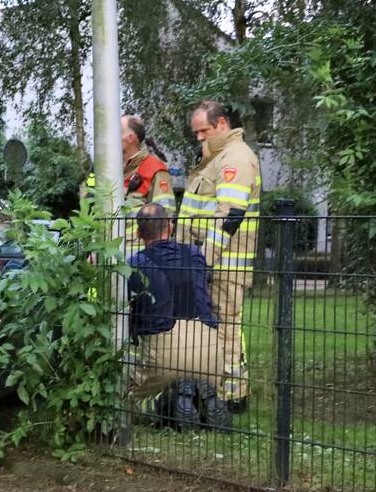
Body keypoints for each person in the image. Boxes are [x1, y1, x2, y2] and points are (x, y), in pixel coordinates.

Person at [175, 100, 262, 410]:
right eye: (196, 132)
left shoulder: (235, 159)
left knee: (225, 328)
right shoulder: (217, 157)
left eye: (204, 130)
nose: (199, 137)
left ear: (222, 124)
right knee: (212, 328)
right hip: (207, 261)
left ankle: (230, 398)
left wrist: (204, 260)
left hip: (222, 264)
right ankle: (214, 393)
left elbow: (230, 216)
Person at [127, 203, 230, 429]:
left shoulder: (135, 263)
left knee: (128, 399)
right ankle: (199, 398)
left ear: (137, 234)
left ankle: (165, 402)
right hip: (209, 348)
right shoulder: (195, 254)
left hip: (164, 351)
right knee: (193, 371)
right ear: (170, 227)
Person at [82, 115, 174, 214]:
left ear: (130, 138)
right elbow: (87, 203)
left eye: (116, 132)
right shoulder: (103, 167)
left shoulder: (155, 169)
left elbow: (164, 218)